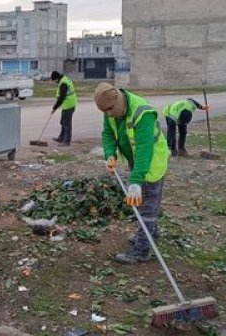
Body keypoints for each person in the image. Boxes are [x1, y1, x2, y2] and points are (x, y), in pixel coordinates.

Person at [94, 82, 170, 264]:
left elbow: (144, 149)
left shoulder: (142, 113)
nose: (109, 114)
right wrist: (110, 154)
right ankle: (151, 232)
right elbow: (108, 134)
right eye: (105, 111)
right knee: (149, 202)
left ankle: (142, 249)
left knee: (147, 204)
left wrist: (135, 181)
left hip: (151, 162)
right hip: (137, 161)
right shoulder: (111, 109)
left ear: (118, 100)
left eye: (110, 109)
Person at [50, 71, 77, 146]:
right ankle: (61, 138)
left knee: (67, 124)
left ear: (57, 78)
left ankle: (67, 141)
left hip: (69, 104)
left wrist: (54, 108)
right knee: (62, 122)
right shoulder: (63, 79)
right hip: (66, 105)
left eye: (54, 80)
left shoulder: (63, 83)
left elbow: (62, 97)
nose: (54, 82)